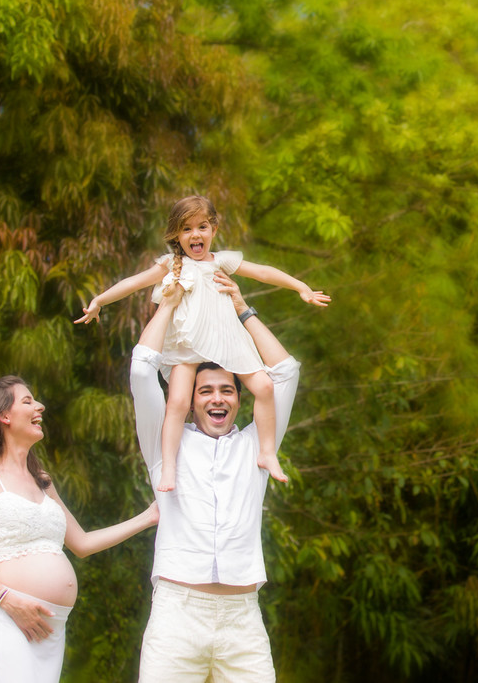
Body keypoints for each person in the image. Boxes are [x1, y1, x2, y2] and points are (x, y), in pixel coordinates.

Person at [75, 195, 329, 491]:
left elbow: (262, 271)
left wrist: (300, 286)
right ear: (177, 235)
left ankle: (267, 452)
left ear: (214, 230)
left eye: (202, 227)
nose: (195, 235)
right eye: (186, 229)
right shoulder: (171, 264)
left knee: (265, 387)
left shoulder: (221, 261)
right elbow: (133, 282)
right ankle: (168, 467)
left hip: (227, 339)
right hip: (187, 345)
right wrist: (99, 301)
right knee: (179, 403)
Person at [132, 273, 300, 682]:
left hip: (242, 621)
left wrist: (240, 310)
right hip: (177, 614)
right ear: (189, 402)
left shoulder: (257, 445)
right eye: (205, 391)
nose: (217, 398)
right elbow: (141, 371)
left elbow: (285, 371)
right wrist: (170, 305)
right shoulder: (164, 445)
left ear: (241, 399)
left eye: (227, 390)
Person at [0, 377, 159, 683]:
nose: (40, 406)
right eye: (27, 401)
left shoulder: (41, 478)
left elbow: (82, 543)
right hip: (8, 620)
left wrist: (148, 517)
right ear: (4, 416)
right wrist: (7, 599)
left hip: (51, 628)